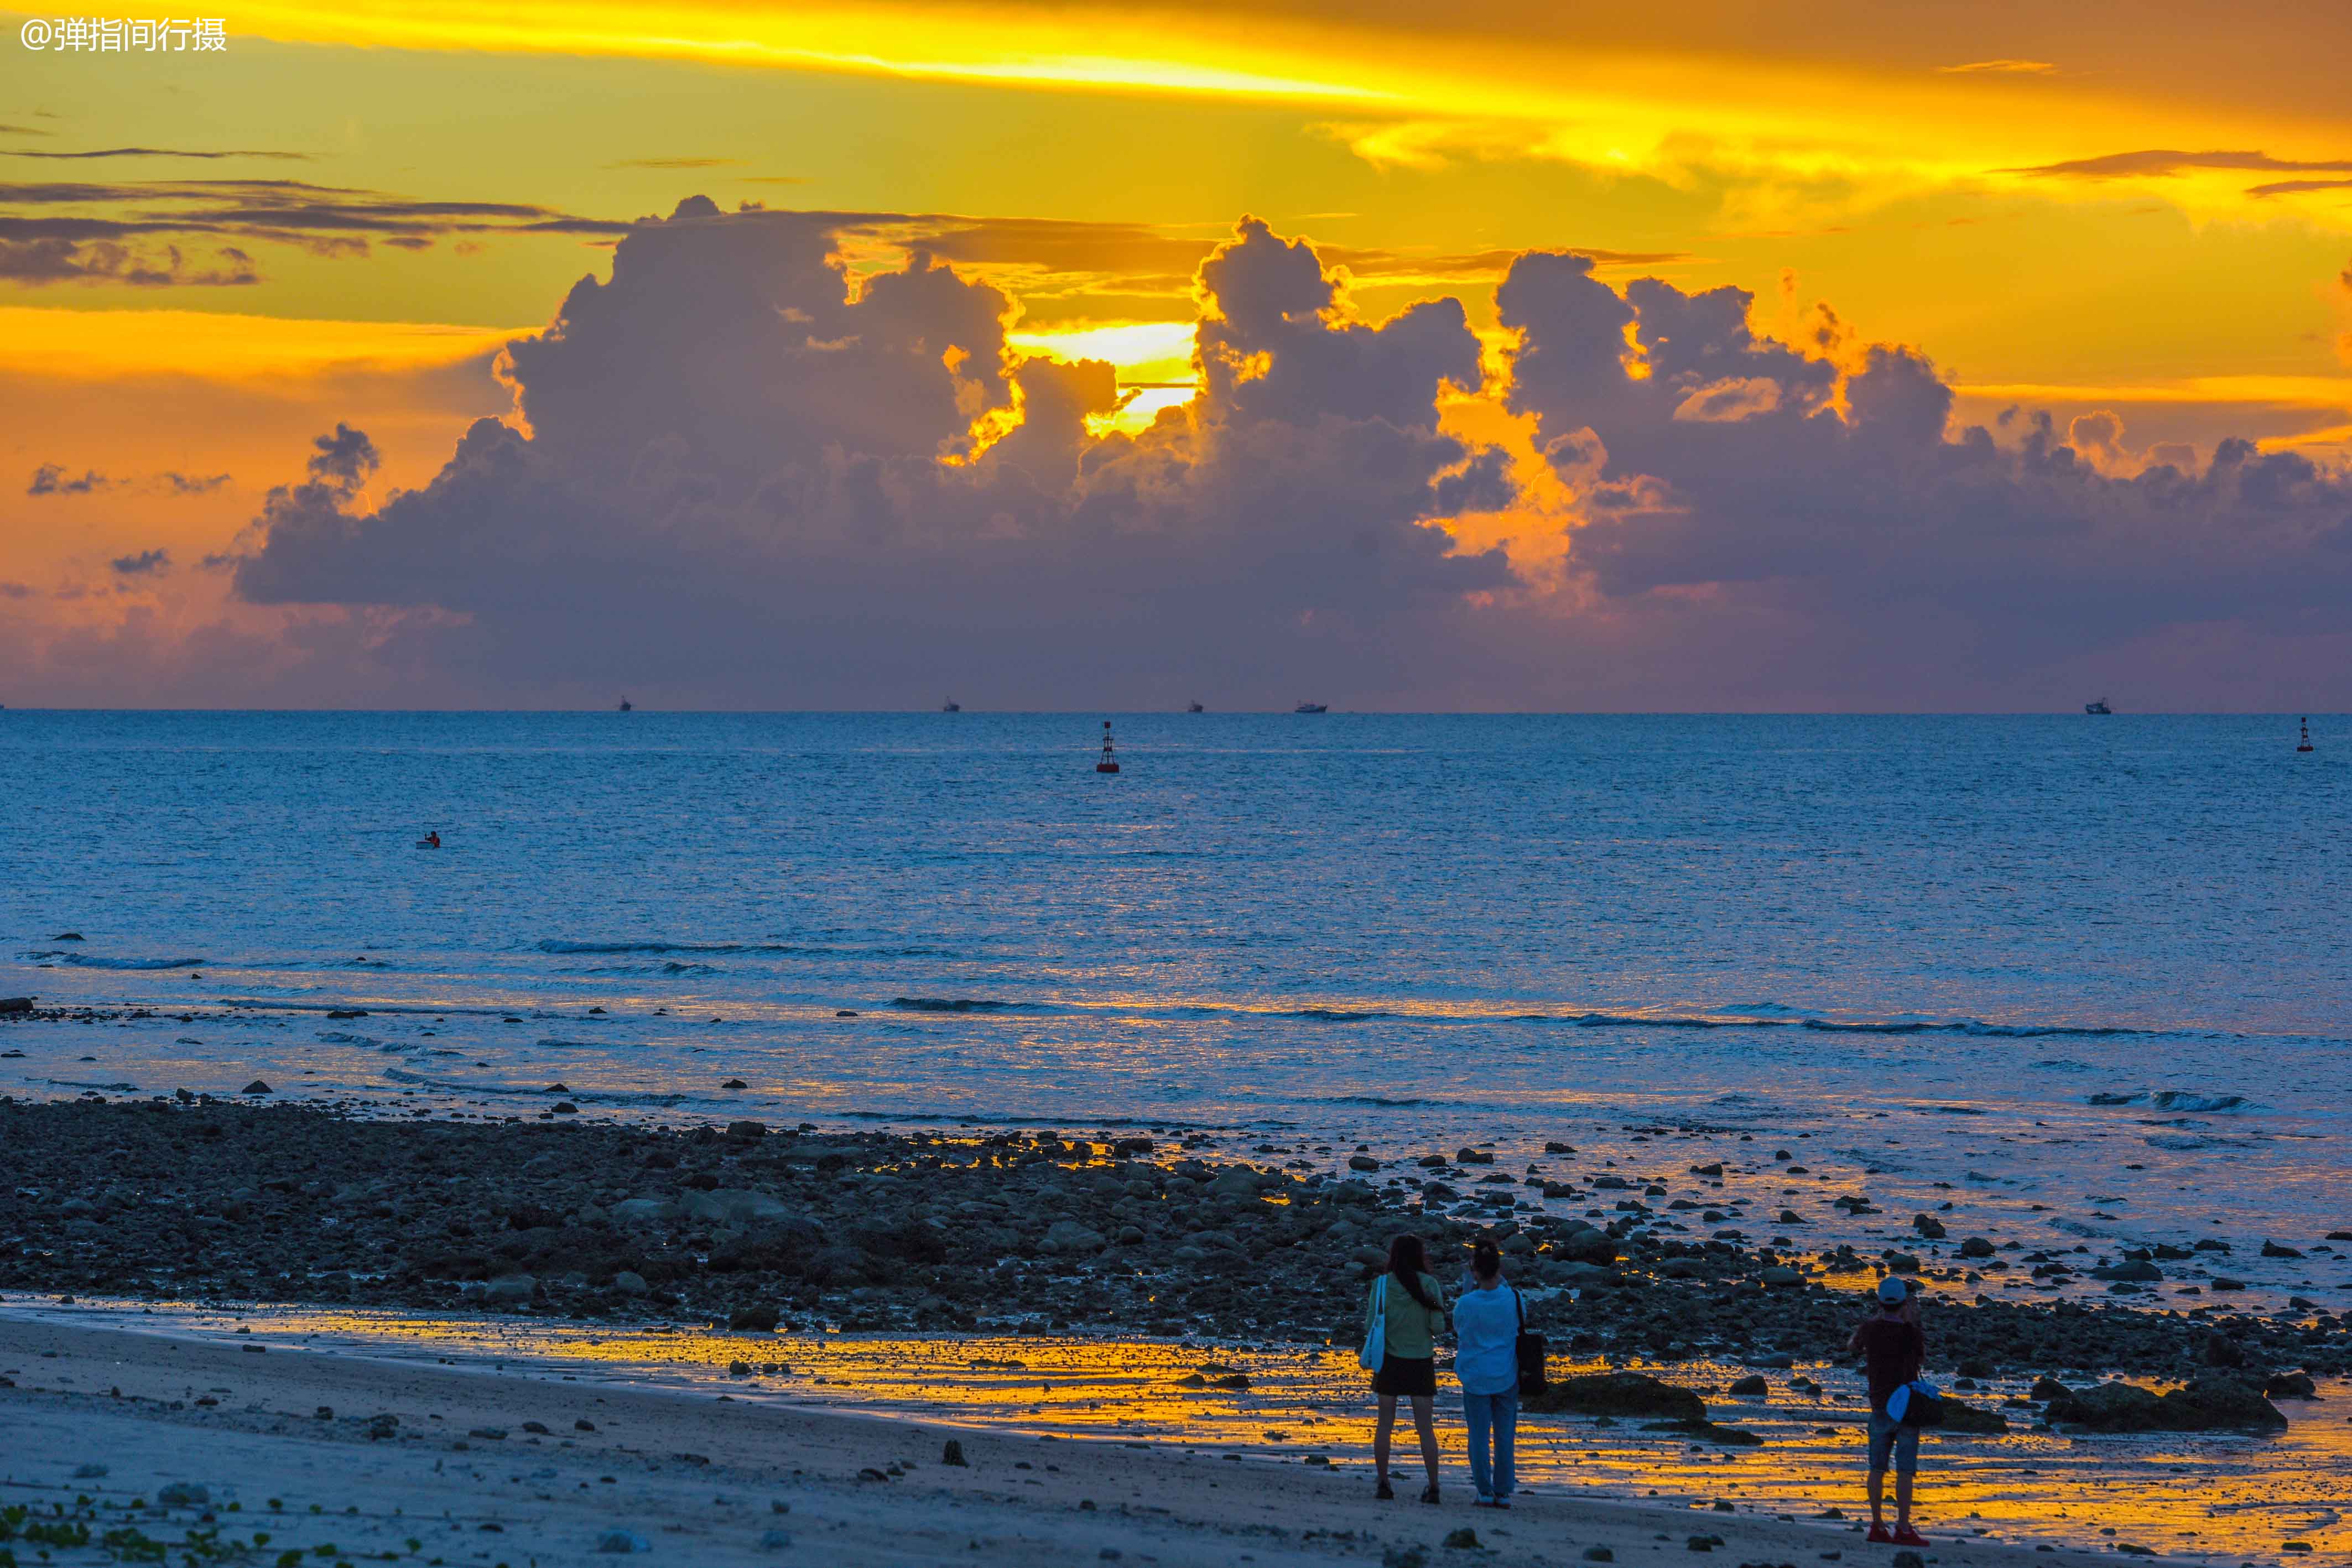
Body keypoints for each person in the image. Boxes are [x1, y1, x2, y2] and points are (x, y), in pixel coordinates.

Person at [1365, 1232, 1449, 1503]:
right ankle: (1434, 1486)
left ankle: (1384, 1484)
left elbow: (1370, 1326)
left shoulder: (1380, 1286)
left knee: (1384, 1425)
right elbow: (1438, 1326)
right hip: (1421, 1361)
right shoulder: (1430, 1285)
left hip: (1389, 1360)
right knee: (1425, 1428)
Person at [1849, 1275, 1927, 1545]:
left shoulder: (1869, 1329)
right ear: (1905, 1302)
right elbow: (1921, 1358)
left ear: (1880, 1302)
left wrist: (1875, 1320)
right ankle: (1903, 1528)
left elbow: (1852, 1346)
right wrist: (1911, 1321)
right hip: (1906, 1406)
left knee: (1877, 1468)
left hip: (1880, 1405)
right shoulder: (1910, 1332)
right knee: (1905, 1470)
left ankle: (1877, 1525)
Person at [1451, 1237, 1522, 1507]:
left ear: (1475, 1272)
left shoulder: (1467, 1304)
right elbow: (1519, 1324)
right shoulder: (1513, 1298)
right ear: (1500, 1269)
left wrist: (1468, 1290)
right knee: (1505, 1435)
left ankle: (1483, 1490)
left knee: (1478, 1435)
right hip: (1505, 1374)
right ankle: (1502, 1491)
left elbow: (1459, 1328)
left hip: (1475, 1375)